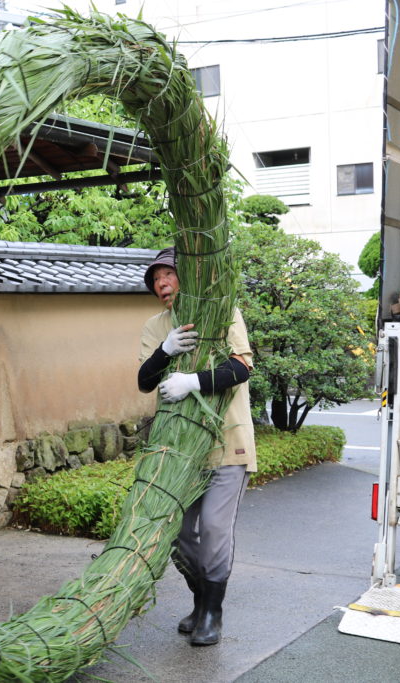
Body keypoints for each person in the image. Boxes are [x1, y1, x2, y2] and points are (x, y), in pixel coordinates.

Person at [137, 247, 256, 647]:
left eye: (168, 274)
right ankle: (200, 600)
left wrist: (194, 381)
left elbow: (240, 366)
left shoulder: (225, 313)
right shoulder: (157, 326)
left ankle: (212, 613)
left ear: (187, 276)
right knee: (180, 536)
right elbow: (143, 380)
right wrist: (164, 351)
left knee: (216, 532)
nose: (162, 284)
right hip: (179, 453)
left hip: (227, 443)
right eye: (155, 280)